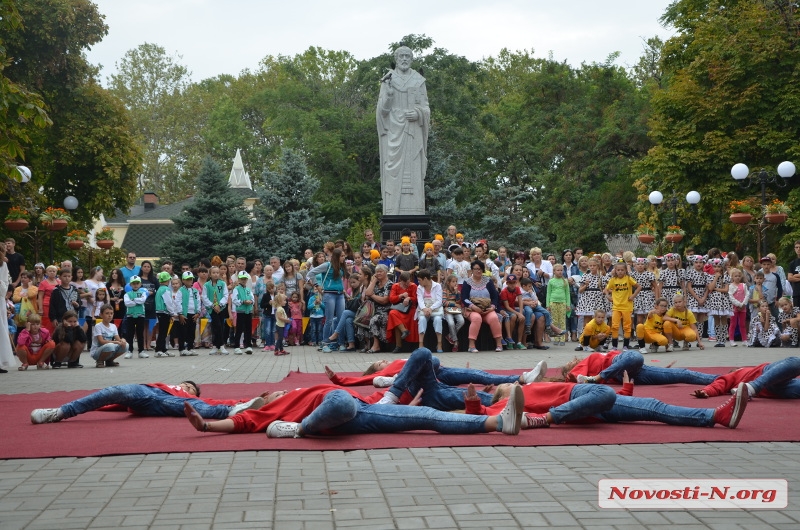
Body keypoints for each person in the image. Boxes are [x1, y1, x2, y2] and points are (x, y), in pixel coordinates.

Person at [183, 382, 524, 438]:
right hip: (328, 418)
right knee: (341, 400)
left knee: (427, 418)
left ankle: (499, 421)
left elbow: (375, 400)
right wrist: (207, 427)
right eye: (273, 391)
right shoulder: (270, 409)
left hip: (359, 412)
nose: (281, 390)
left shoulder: (301, 389)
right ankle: (301, 431)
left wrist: (407, 403)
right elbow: (240, 422)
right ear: (266, 397)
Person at [473, 378, 748, 430]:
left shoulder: (529, 386)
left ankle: (715, 416)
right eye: (505, 386)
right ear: (501, 395)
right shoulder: (506, 403)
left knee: (653, 405)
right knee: (605, 394)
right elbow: (481, 416)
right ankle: (546, 419)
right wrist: (472, 403)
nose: (510, 383)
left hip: (584, 398)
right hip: (583, 402)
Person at [30, 381, 266, 424]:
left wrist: (245, 400)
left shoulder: (189, 396)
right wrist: (100, 404)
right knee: (114, 390)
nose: (187, 388)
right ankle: (59, 412)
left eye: (191, 389)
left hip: (160, 405)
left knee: (191, 407)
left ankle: (233, 411)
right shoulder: (160, 383)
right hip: (144, 393)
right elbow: (110, 401)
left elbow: (211, 399)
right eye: (186, 385)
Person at [376, 46, 430, 216]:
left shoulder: (419, 81)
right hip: (393, 131)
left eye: (408, 56)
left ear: (412, 59)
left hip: (413, 131)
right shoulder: (388, 80)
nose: (405, 59)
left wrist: (418, 113)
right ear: (396, 58)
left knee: (413, 168)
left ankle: (414, 210)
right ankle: (393, 210)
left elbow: (426, 108)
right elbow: (381, 111)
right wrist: (389, 94)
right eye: (401, 56)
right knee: (392, 169)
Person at [324, 356, 547, 389]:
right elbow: (358, 380)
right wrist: (336, 378)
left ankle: (522, 378)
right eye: (379, 362)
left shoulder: (401, 360)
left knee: (478, 375)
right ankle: (394, 381)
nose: (384, 361)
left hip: (439, 370)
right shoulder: (386, 370)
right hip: (427, 376)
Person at [565, 349, 716, 386]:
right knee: (635, 356)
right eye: (570, 362)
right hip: (625, 374)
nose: (574, 360)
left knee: (682, 373)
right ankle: (597, 378)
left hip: (628, 366)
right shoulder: (581, 366)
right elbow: (572, 378)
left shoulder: (588, 360)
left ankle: (724, 381)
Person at [692, 356, 800, 399]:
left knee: (794, 364)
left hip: (778, 384)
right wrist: (705, 391)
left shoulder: (746, 371)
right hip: (768, 380)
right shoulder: (733, 375)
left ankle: (751, 388)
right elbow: (719, 384)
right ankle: (752, 387)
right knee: (795, 361)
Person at [306, 248, 346, 351]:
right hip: (329, 294)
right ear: (337, 257)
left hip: (340, 294)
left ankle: (340, 342)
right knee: (329, 319)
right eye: (342, 256)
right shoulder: (327, 265)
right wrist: (317, 286)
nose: (344, 257)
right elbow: (311, 273)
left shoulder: (341, 266)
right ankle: (325, 343)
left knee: (341, 319)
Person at [461, 260, 503, 353]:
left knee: (494, 318)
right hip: (472, 309)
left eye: (480, 269)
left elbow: (495, 297)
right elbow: (464, 298)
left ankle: (499, 344)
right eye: (475, 269)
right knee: (476, 318)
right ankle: (471, 346)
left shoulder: (488, 281)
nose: (478, 271)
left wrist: (492, 307)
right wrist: (473, 307)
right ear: (472, 270)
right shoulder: (467, 282)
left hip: (487, 309)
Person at [364, 264, 394, 353]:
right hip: (374, 309)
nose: (378, 273)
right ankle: (367, 345)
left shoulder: (390, 284)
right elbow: (367, 293)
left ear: (386, 272)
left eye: (380, 271)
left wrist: (372, 295)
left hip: (385, 310)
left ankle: (376, 346)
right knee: (363, 319)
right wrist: (373, 281)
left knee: (374, 319)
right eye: (377, 272)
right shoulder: (376, 283)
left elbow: (384, 300)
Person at [387, 271, 418, 353]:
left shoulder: (414, 286)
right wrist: (401, 296)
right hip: (399, 308)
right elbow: (391, 299)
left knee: (400, 321)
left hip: (410, 308)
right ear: (401, 280)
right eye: (405, 283)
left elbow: (416, 299)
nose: (407, 284)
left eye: (408, 282)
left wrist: (409, 298)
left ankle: (404, 345)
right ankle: (404, 331)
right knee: (392, 313)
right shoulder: (395, 286)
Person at [90, 303, 127, 368]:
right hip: (97, 351)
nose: (109, 315)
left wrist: (123, 340)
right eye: (107, 313)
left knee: (125, 345)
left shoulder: (113, 326)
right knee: (110, 346)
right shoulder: (98, 326)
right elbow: (101, 341)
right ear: (101, 315)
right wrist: (116, 342)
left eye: (111, 313)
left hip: (109, 348)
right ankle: (100, 361)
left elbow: (118, 339)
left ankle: (109, 360)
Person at [202, 266, 229, 355]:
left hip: (221, 308)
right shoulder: (206, 285)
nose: (216, 274)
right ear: (210, 274)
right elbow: (204, 297)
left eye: (217, 272)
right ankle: (215, 345)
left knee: (221, 326)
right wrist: (213, 305)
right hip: (212, 309)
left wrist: (220, 304)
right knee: (215, 326)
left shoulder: (222, 283)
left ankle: (220, 345)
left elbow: (225, 295)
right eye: (213, 272)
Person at [415, 270, 443, 352]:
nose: (418, 282)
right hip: (424, 309)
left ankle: (439, 343)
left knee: (438, 320)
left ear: (425, 279)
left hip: (435, 309)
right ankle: (421, 344)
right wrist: (424, 309)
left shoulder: (437, 286)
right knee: (422, 319)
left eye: (420, 280)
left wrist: (431, 308)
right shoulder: (419, 287)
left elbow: (439, 300)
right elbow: (419, 300)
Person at [123, 275, 148, 358]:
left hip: (140, 315)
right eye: (133, 283)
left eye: (137, 283)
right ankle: (129, 351)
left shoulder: (143, 293)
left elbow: (143, 300)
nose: (135, 285)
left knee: (140, 334)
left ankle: (141, 351)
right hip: (130, 316)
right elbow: (127, 303)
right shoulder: (127, 294)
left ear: (140, 284)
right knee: (130, 334)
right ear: (130, 285)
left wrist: (133, 300)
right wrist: (137, 301)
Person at [231, 271, 255, 355]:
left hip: (248, 311)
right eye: (242, 279)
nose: (244, 280)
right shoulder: (236, 289)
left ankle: (248, 345)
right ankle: (237, 346)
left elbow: (252, 298)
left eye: (245, 279)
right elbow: (234, 300)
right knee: (239, 329)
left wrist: (251, 301)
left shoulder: (248, 289)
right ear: (239, 279)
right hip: (241, 311)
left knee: (248, 329)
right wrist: (242, 302)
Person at [178, 271, 201, 356]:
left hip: (193, 314)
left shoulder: (195, 291)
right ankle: (181, 349)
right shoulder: (181, 290)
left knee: (192, 332)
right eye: (187, 279)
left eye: (191, 279)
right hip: (184, 314)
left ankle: (190, 347)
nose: (189, 281)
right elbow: (178, 302)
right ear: (183, 280)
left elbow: (198, 301)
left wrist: (198, 312)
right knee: (183, 332)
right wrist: (180, 313)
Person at [442, 274, 464, 350]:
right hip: (448, 311)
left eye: (456, 282)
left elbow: (458, 301)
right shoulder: (445, 291)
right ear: (448, 282)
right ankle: (456, 342)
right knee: (451, 323)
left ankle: (450, 336)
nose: (455, 283)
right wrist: (454, 304)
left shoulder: (457, 291)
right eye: (453, 281)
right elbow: (444, 302)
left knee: (461, 321)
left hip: (456, 310)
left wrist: (457, 293)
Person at [728, 268, 749, 346]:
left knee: (742, 324)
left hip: (743, 308)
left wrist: (743, 304)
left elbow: (747, 294)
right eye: (735, 276)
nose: (737, 277)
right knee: (733, 324)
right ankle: (731, 339)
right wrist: (739, 304)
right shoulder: (730, 286)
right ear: (732, 277)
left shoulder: (743, 285)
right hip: (734, 308)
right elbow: (731, 296)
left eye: (739, 276)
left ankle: (744, 339)